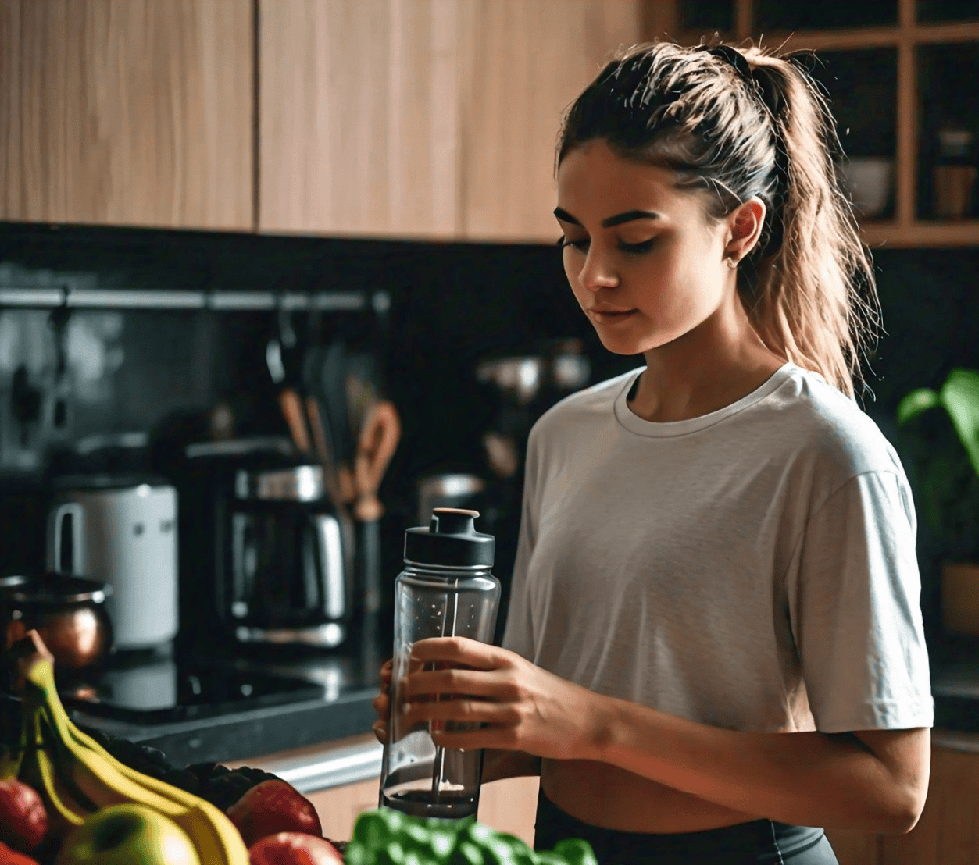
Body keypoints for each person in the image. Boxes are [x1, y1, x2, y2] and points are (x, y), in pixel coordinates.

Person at [373, 39, 933, 865]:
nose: (595, 275)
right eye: (574, 238)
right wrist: (461, 717)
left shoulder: (826, 454)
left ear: (740, 229)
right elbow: (551, 721)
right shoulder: (562, 435)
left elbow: (891, 787)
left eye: (635, 241)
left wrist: (593, 721)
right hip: (563, 847)